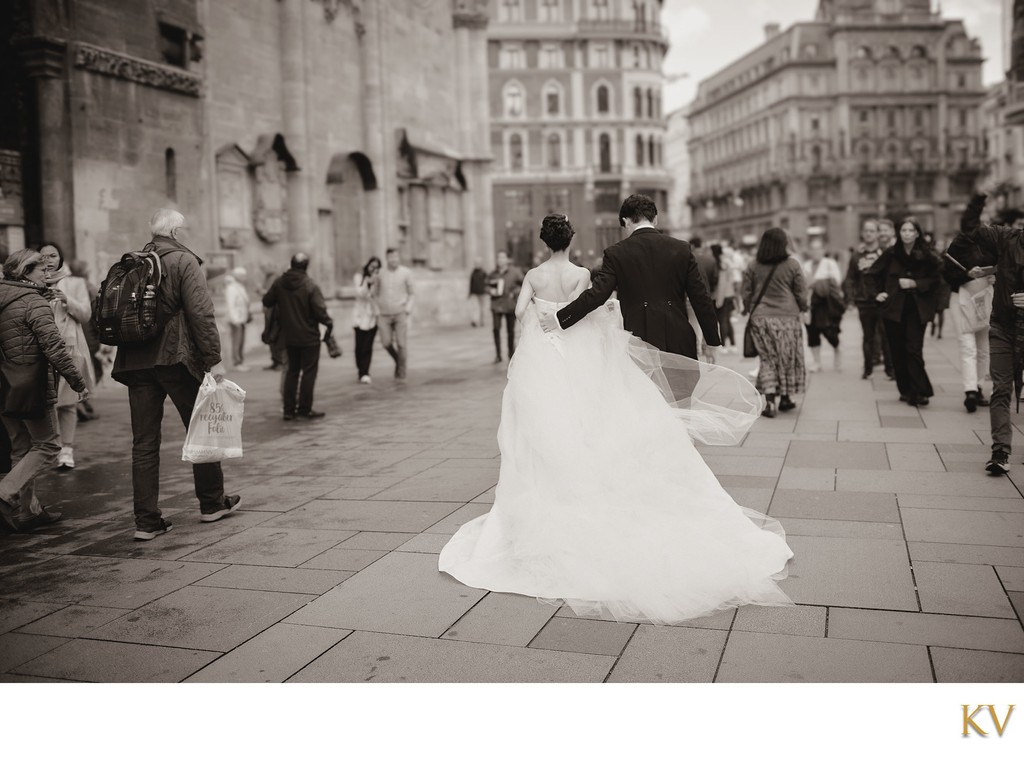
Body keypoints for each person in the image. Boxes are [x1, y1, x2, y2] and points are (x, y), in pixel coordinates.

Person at [438, 214, 793, 624]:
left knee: (542, 427)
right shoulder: (584, 273)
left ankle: (551, 490)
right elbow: (597, 309)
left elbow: (521, 313)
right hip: (582, 353)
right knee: (589, 417)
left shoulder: (535, 274)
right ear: (571, 239)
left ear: (543, 240)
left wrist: (544, 319)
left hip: (543, 357)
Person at [113, 209, 242, 540]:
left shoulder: (134, 260)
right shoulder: (184, 262)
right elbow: (201, 313)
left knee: (143, 442)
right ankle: (212, 503)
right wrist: (214, 359)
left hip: (136, 361)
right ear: (176, 232)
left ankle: (146, 521)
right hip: (176, 358)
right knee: (200, 429)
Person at [541, 194, 720, 360]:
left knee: (645, 394)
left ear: (626, 222)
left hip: (640, 341)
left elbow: (596, 296)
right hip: (679, 339)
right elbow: (701, 298)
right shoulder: (681, 248)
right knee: (681, 394)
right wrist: (712, 341)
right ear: (655, 219)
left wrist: (560, 318)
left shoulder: (616, 253)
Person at [0, 249, 88, 532]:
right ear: (25, 273)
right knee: (49, 444)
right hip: (30, 384)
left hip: (3, 385)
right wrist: (77, 382)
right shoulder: (32, 301)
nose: (47, 274)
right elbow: (54, 348)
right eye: (41, 270)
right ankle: (5, 492)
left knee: (21, 446)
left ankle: (28, 511)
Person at [957, 191, 1024, 475]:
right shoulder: (1007, 238)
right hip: (1003, 327)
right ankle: (1001, 452)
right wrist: (978, 199)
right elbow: (971, 229)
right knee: (1001, 389)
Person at [35, 243, 95, 471]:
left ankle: (66, 450)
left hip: (69, 348)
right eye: (43, 256)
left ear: (61, 258)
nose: (48, 260)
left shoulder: (75, 283)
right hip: (41, 351)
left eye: (53, 256)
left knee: (68, 403)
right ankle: (52, 447)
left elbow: (86, 315)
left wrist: (66, 299)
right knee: (47, 403)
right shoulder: (32, 283)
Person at [872, 216, 941, 407]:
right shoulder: (891, 253)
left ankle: (920, 391)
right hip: (894, 309)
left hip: (917, 310)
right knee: (897, 351)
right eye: (904, 230)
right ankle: (906, 390)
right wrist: (878, 294)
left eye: (911, 230)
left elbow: (937, 280)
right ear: (898, 233)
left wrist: (915, 283)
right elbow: (872, 274)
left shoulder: (928, 255)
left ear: (917, 233)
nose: (907, 234)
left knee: (913, 349)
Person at [740, 228, 809, 417]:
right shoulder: (792, 264)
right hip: (788, 317)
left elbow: (746, 292)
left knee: (768, 359)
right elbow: (801, 292)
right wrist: (804, 307)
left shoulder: (753, 265)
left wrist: (747, 308)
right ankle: (786, 398)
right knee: (788, 357)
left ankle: (770, 402)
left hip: (761, 318)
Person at [262, 252, 332, 420]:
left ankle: (288, 410)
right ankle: (304, 409)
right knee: (308, 373)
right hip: (309, 336)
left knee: (292, 372)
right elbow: (320, 311)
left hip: (289, 336)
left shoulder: (279, 283)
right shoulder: (310, 285)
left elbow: (267, 301)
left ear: (291, 264)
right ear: (306, 266)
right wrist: (329, 323)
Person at [942, 228, 993, 414]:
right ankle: (970, 390)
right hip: (961, 301)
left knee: (983, 348)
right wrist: (967, 275)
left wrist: (994, 277)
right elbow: (947, 275)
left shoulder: (992, 245)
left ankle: (978, 386)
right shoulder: (958, 246)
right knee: (968, 347)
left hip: (984, 299)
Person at [843, 219, 893, 380]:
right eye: (866, 231)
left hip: (882, 300)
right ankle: (868, 368)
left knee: (886, 335)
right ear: (862, 233)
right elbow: (850, 278)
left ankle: (890, 369)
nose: (869, 234)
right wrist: (850, 298)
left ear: (878, 234)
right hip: (864, 301)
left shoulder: (885, 253)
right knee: (868, 336)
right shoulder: (856, 255)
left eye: (872, 231)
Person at [802, 239, 844, 373]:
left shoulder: (830, 263)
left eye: (818, 248)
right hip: (810, 304)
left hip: (826, 305)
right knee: (812, 333)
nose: (815, 252)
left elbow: (836, 281)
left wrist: (815, 282)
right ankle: (816, 362)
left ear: (823, 250)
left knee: (829, 331)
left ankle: (837, 349)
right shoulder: (806, 265)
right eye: (813, 249)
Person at [375, 248, 414, 379]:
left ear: (399, 257)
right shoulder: (380, 273)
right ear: (387, 258)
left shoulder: (406, 273)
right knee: (385, 342)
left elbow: (412, 293)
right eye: (391, 257)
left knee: (402, 343)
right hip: (384, 313)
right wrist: (376, 308)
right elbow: (375, 292)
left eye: (396, 256)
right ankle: (398, 359)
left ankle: (402, 371)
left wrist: (408, 308)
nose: (393, 259)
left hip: (400, 312)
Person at [487, 251, 524, 363]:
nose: (500, 260)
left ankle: (510, 353)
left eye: (502, 257)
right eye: (498, 257)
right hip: (496, 304)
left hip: (509, 304)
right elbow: (486, 285)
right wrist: (491, 290)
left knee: (510, 330)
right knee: (496, 329)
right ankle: (498, 355)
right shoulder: (493, 273)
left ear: (507, 259)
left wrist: (515, 291)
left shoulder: (515, 272)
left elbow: (523, 284)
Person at [353, 256, 381, 383]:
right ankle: (360, 369)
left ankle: (365, 372)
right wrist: (368, 283)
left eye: (376, 267)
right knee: (359, 345)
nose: (373, 269)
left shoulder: (379, 280)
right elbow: (360, 293)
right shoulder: (359, 278)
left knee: (367, 346)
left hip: (372, 317)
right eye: (372, 266)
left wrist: (375, 282)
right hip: (359, 317)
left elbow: (378, 296)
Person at [711, 243, 740, 353]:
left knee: (722, 321)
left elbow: (722, 283)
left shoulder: (720, 263)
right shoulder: (727, 262)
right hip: (729, 294)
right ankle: (732, 344)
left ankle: (724, 345)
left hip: (721, 295)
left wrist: (719, 299)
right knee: (727, 320)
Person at [223, 267, 251, 371]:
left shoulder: (240, 287)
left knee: (241, 341)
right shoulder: (232, 288)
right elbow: (231, 305)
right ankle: (236, 362)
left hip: (242, 318)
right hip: (236, 319)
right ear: (237, 276)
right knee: (237, 341)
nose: (245, 277)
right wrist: (235, 319)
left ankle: (240, 361)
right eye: (243, 275)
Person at [468, 259, 488, 328]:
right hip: (474, 293)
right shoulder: (473, 272)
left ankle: (482, 321)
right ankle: (475, 321)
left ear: (481, 264)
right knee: (475, 307)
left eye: (478, 263)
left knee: (482, 308)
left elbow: (487, 282)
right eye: (476, 263)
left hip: (482, 293)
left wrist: (486, 290)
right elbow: (471, 283)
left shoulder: (483, 273)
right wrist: (470, 293)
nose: (477, 265)